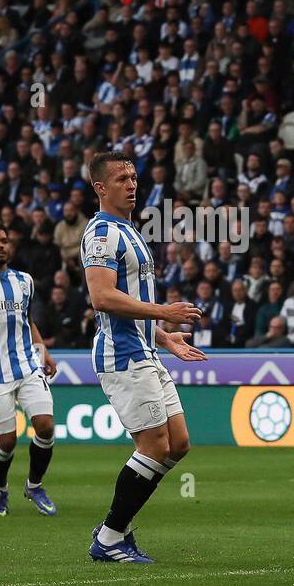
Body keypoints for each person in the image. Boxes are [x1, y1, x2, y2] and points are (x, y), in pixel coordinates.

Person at [80, 152, 207, 563]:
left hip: (145, 350)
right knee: (153, 446)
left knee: (179, 444)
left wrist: (164, 336)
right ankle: (111, 538)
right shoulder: (101, 234)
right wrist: (164, 312)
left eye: (133, 177)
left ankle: (114, 528)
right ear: (100, 188)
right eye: (121, 179)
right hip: (123, 357)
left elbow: (130, 303)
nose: (132, 184)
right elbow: (102, 297)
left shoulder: (129, 231)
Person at [0, 221, 60, 517]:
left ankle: (34, 485)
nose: (1, 245)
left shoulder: (24, 281)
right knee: (6, 441)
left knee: (45, 426)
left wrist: (43, 352)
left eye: (4, 240)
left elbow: (27, 321)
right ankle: (0, 490)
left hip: (28, 366)